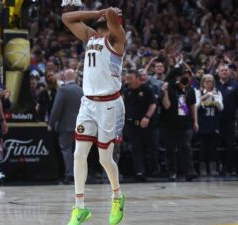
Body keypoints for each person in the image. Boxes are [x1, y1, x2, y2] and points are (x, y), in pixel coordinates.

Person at [62, 6, 126, 225]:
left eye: (103, 24)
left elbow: (111, 18)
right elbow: (66, 18)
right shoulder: (91, 37)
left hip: (109, 104)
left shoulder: (118, 39)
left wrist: (108, 13)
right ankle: (80, 207)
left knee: (104, 159)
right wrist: (97, 12)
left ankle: (117, 197)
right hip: (88, 103)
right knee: (79, 154)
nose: (99, 27)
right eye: (97, 25)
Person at [48, 69, 83, 184]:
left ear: (65, 77)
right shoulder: (81, 90)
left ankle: (69, 174)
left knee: (66, 149)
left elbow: (56, 109)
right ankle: (80, 173)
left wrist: (51, 123)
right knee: (79, 151)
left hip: (65, 126)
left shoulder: (63, 90)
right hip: (80, 127)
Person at [123, 69, 157, 181]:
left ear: (138, 78)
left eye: (131, 79)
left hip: (145, 125)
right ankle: (139, 172)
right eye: (127, 78)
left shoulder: (146, 90)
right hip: (131, 126)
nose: (128, 81)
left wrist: (147, 117)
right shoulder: (125, 91)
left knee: (149, 148)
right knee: (135, 149)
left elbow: (153, 105)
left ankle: (151, 171)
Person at [195, 74, 223, 176]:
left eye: (210, 81)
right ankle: (202, 169)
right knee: (202, 147)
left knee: (213, 147)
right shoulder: (198, 92)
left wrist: (214, 99)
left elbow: (221, 108)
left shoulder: (218, 93)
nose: (208, 83)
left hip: (213, 123)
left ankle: (213, 168)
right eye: (206, 81)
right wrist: (204, 97)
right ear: (202, 82)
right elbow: (196, 107)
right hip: (202, 124)